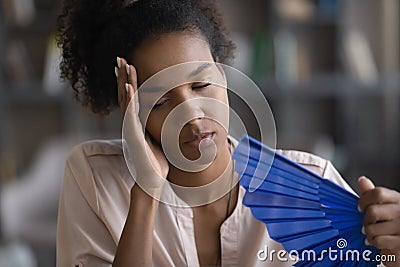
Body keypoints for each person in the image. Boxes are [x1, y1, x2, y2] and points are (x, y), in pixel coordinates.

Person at [56, 0, 400, 266]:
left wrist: (394, 252)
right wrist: (145, 193)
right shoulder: (94, 176)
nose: (192, 116)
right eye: (161, 101)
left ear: (223, 76)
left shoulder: (312, 182)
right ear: (130, 109)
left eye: (201, 84)